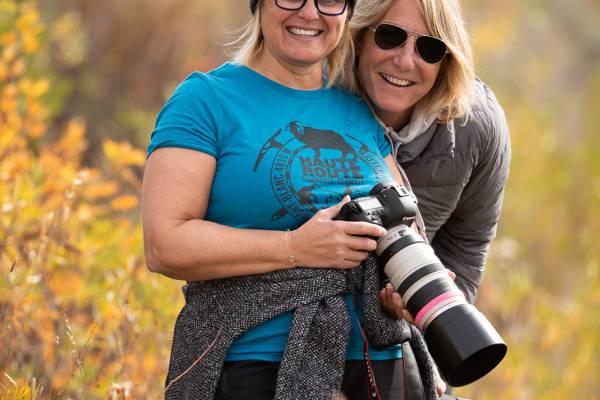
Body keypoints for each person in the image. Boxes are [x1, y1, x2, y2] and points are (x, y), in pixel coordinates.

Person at [142, 0, 442, 399]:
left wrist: (405, 291)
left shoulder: (358, 108)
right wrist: (294, 248)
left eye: (330, 0)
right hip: (257, 362)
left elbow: (406, 225)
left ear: (347, 13)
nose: (309, 13)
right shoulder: (206, 100)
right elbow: (164, 244)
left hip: (382, 363)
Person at [339, 0, 511, 305]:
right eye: (389, 36)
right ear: (360, 35)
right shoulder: (313, 95)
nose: (405, 62)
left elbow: (466, 252)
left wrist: (424, 315)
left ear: (446, 61)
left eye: (429, 49)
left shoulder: (477, 126)